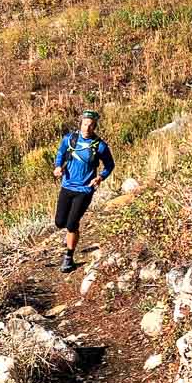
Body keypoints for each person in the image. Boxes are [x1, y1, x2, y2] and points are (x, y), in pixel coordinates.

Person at [53, 109, 115, 273]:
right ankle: (71, 235)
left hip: (85, 189)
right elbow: (60, 153)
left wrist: (100, 177)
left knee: (72, 223)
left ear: (95, 127)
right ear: (81, 123)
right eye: (85, 124)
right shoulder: (70, 139)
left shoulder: (100, 146)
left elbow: (110, 165)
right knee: (60, 222)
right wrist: (58, 166)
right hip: (67, 186)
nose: (87, 128)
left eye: (91, 125)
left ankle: (69, 257)